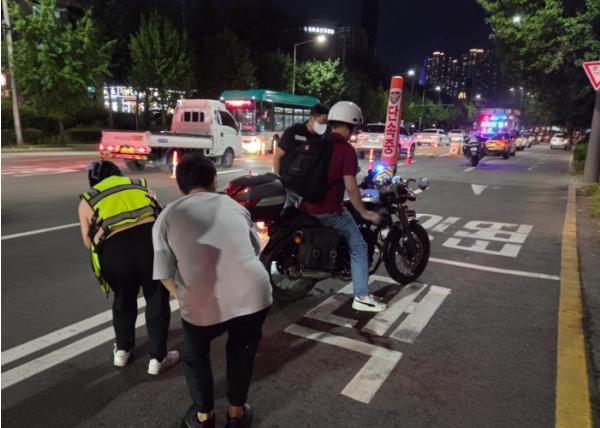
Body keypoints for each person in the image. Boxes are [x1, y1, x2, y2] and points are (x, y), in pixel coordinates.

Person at [152, 153, 272, 428]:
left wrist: (183, 295)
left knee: (195, 355)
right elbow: (255, 248)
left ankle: (204, 415)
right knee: (241, 351)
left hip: (202, 302)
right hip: (253, 295)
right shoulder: (234, 206)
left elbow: (163, 273)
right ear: (214, 180)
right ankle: (236, 413)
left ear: (180, 186)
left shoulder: (167, 216)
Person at [78, 160, 179, 374]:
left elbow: (89, 242)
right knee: (156, 300)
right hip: (149, 247)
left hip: (114, 255)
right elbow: (158, 216)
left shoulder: (87, 200)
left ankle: (122, 351)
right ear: (118, 174)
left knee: (123, 299)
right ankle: (158, 358)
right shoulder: (140, 186)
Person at [300, 101, 387, 313]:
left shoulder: (316, 142)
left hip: (304, 207)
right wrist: (365, 212)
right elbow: (351, 186)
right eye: (354, 128)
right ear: (350, 125)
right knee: (359, 247)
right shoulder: (345, 150)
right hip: (329, 211)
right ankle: (362, 296)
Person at [273, 103, 329, 207]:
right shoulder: (293, 132)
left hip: (308, 190)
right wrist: (277, 180)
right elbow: (277, 157)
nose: (324, 125)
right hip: (289, 187)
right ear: (312, 118)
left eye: (326, 123)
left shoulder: (323, 138)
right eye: (322, 121)